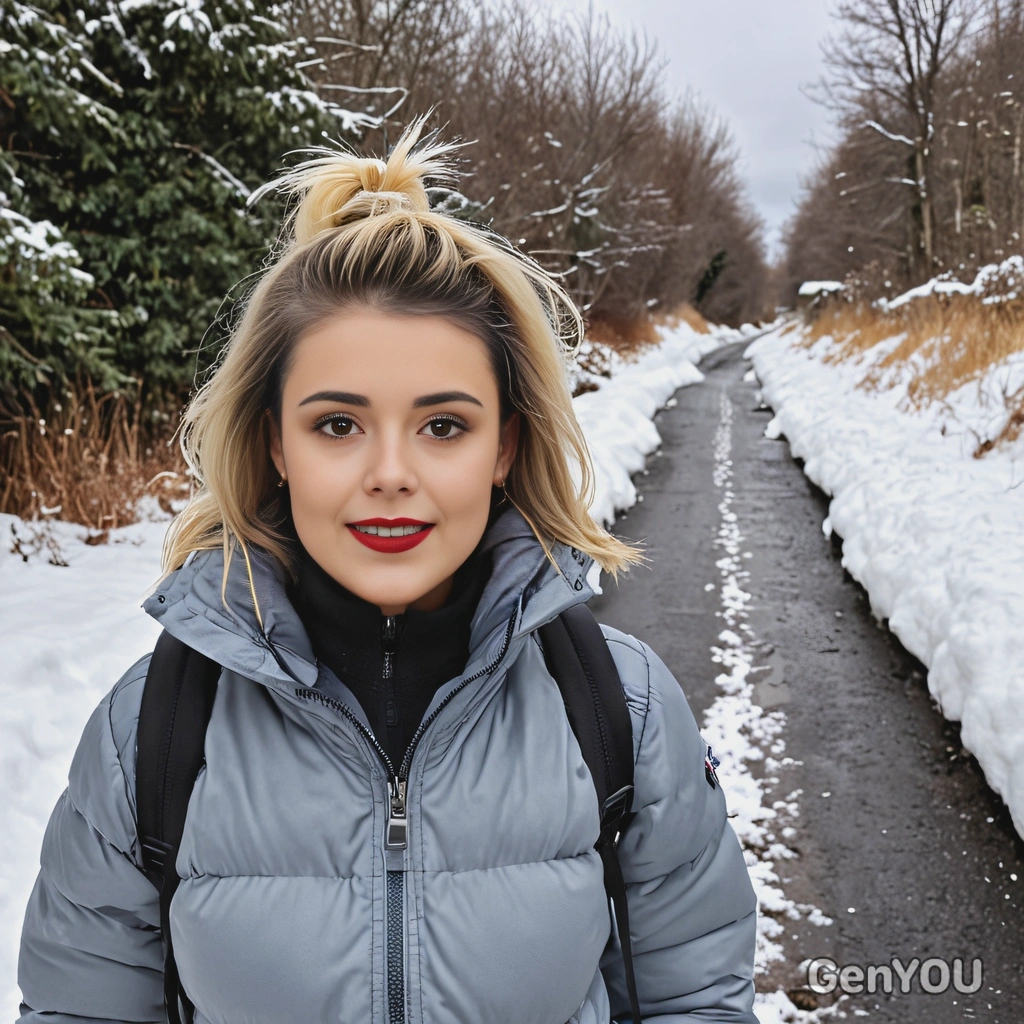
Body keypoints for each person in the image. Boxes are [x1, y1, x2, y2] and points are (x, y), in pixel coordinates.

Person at [16, 118, 759, 1024]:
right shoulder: (151, 732)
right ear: (275, 445)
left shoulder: (623, 712)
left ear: (503, 446)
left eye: (444, 426)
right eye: (338, 425)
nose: (391, 474)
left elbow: (697, 997)